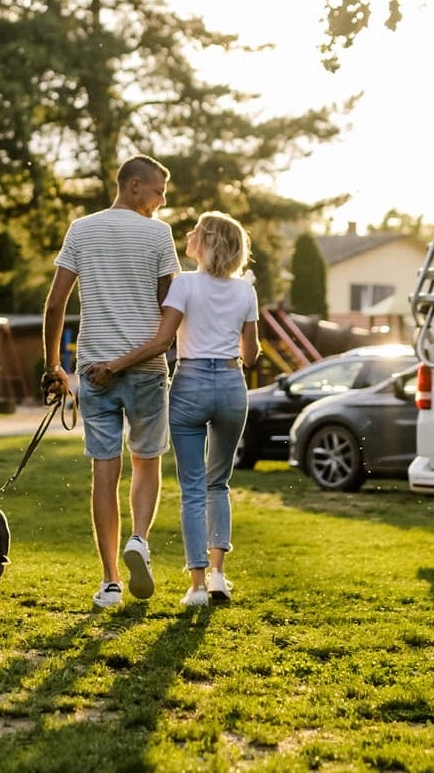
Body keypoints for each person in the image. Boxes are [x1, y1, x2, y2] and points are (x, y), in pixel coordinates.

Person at [86, 211, 261, 607]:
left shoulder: (184, 285)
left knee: (193, 488)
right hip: (231, 385)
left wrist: (113, 366)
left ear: (209, 241)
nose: (188, 234)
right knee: (219, 484)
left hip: (190, 385)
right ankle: (219, 575)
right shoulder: (246, 292)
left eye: (196, 230)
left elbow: (161, 343)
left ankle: (197, 587)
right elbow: (250, 356)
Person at [42, 154, 182, 608]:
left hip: (94, 370)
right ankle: (138, 539)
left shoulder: (81, 229)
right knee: (146, 461)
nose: (162, 202)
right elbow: (170, 305)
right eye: (159, 191)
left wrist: (53, 366)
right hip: (145, 369)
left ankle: (110, 582)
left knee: (105, 471)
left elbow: (55, 303)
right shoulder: (158, 235)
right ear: (134, 185)